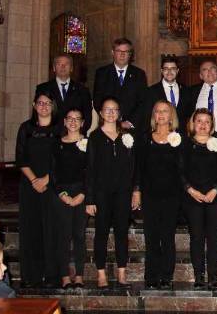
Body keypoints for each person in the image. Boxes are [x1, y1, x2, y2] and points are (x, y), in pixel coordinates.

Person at [85, 96, 139, 289]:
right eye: (107, 109)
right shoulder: (95, 137)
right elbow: (90, 169)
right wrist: (89, 199)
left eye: (114, 109)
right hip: (101, 194)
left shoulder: (128, 135)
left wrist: (136, 190)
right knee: (101, 233)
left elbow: (135, 166)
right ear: (100, 113)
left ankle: (122, 273)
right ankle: (101, 275)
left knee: (121, 233)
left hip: (123, 192)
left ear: (119, 113)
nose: (110, 112)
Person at [136, 101, 184, 290]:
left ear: (171, 115)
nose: (161, 114)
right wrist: (137, 190)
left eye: (165, 111)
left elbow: (182, 169)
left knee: (167, 236)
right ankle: (151, 275)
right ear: (153, 115)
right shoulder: (145, 138)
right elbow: (138, 167)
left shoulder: (179, 139)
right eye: (158, 111)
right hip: (149, 195)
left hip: (172, 195)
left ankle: (166, 275)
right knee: (151, 236)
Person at [15, 92, 58, 288]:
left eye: (47, 103)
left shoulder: (60, 128)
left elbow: (63, 159)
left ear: (53, 105)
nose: (43, 106)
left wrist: (46, 179)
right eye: (40, 103)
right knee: (30, 229)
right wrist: (34, 180)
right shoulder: (26, 128)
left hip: (53, 184)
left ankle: (51, 275)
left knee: (50, 229)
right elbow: (21, 158)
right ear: (34, 105)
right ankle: (31, 275)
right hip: (29, 185)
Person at [182, 109, 217, 290]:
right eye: (199, 121)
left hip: (214, 197)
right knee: (196, 237)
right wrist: (190, 190)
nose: (202, 125)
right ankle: (199, 275)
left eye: (207, 122)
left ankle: (213, 276)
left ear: (212, 125)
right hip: (192, 197)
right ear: (193, 124)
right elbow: (180, 171)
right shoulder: (185, 144)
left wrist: (216, 189)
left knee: (214, 237)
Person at [50, 108, 88, 289]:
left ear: (82, 123)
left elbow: (92, 172)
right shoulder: (57, 144)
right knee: (63, 236)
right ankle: (64, 276)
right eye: (70, 119)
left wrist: (82, 194)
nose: (73, 122)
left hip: (82, 194)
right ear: (64, 122)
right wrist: (62, 195)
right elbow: (54, 173)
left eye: (77, 119)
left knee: (79, 236)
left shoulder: (88, 144)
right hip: (62, 195)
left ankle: (79, 275)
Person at [93, 38, 147, 130]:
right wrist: (110, 120)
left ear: (130, 54)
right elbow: (98, 100)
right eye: (119, 51)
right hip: (108, 125)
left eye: (126, 51)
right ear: (113, 52)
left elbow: (143, 102)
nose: (122, 55)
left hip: (131, 127)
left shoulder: (139, 74)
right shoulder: (102, 73)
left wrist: (130, 122)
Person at [35, 54, 93, 133]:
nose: (63, 67)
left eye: (66, 64)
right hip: (49, 137)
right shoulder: (43, 88)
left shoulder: (82, 90)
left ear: (71, 68)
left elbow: (87, 117)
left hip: (74, 137)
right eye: (59, 64)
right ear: (54, 68)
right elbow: (37, 115)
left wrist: (76, 134)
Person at [187, 60, 217, 135]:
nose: (209, 71)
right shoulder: (192, 91)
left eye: (212, 68)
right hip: (200, 135)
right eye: (205, 70)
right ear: (200, 75)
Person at [142, 56, 189, 133]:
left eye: (173, 68)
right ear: (162, 71)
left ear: (177, 71)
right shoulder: (151, 91)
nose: (169, 71)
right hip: (159, 133)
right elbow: (147, 116)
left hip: (181, 135)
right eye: (166, 69)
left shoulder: (186, 90)